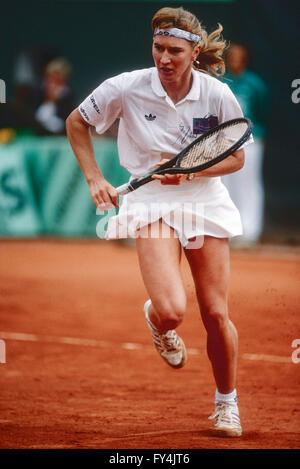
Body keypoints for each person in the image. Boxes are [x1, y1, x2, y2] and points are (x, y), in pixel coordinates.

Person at [66, 7, 253, 437]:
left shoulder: (217, 94)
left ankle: (227, 405)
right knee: (172, 311)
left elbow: (237, 156)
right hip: (149, 201)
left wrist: (192, 172)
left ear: (195, 51)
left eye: (174, 50)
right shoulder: (126, 87)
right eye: (158, 48)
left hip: (204, 201)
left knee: (215, 313)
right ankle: (158, 322)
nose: (164, 59)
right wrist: (95, 177)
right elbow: (77, 121)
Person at [221, 43, 269, 245]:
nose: (235, 60)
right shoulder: (222, 83)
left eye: (239, 56)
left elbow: (263, 111)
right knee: (225, 185)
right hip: (224, 141)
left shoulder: (255, 84)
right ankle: (230, 230)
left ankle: (249, 232)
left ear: (246, 59)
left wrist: (258, 134)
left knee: (248, 184)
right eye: (232, 56)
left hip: (251, 140)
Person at [34, 58, 75, 135]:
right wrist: (49, 99)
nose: (52, 82)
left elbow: (65, 122)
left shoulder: (67, 94)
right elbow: (37, 118)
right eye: (50, 77)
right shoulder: (39, 91)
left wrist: (54, 99)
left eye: (57, 78)